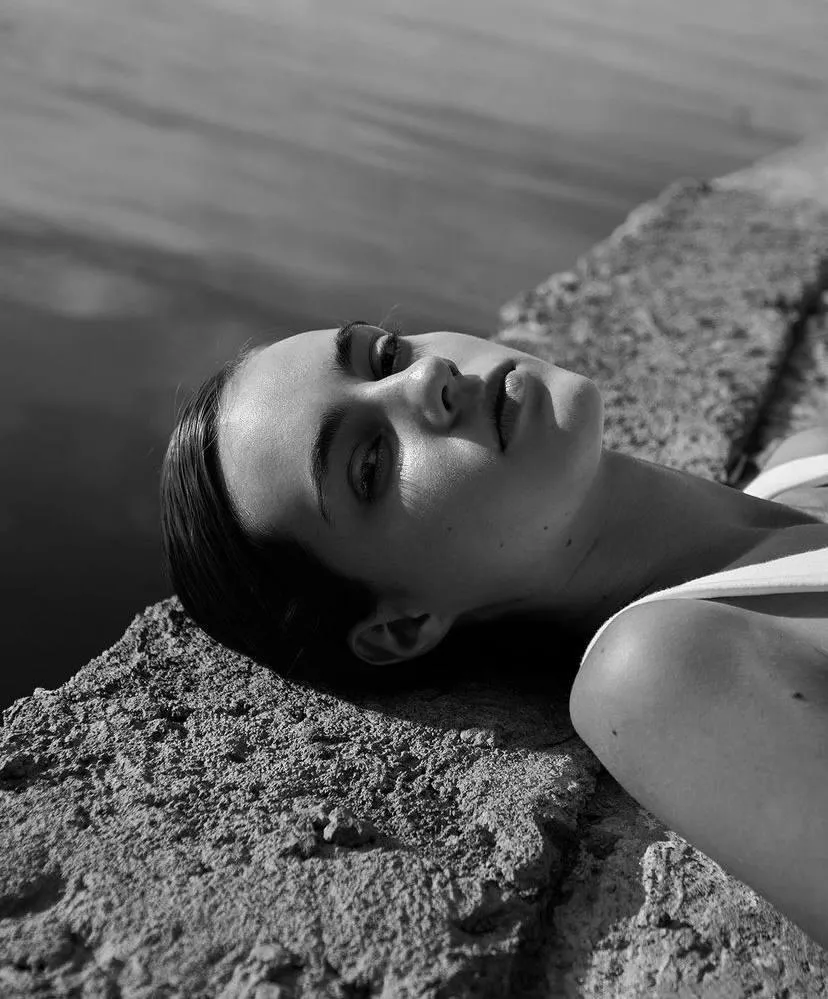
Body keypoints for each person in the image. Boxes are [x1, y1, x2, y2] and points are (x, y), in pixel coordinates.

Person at [160, 320, 828, 947]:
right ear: (403, 623)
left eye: (386, 354)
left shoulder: (810, 457)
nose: (426, 380)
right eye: (369, 464)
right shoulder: (662, 671)